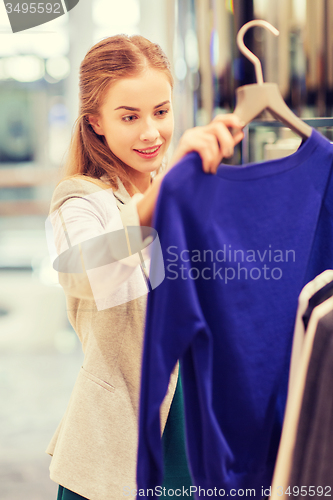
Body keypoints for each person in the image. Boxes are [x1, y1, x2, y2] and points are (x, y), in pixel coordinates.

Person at [46, 34, 244, 500]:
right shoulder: (78, 200)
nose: (151, 132)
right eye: (129, 117)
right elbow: (91, 273)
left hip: (197, 428)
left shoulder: (188, 191)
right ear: (94, 121)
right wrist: (169, 189)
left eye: (161, 111)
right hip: (116, 446)